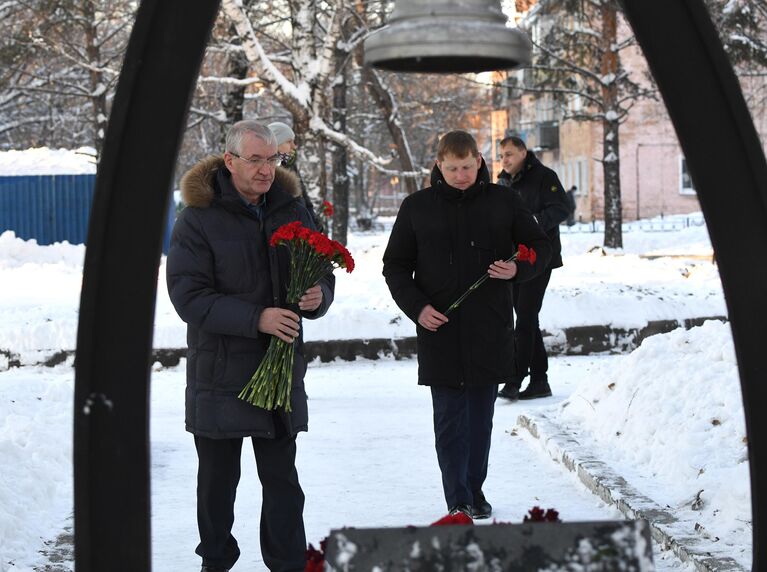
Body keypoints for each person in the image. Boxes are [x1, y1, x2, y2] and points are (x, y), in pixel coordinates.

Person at [166, 120, 335, 572]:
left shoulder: (292, 208)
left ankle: (287, 564)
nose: (266, 169)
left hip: (279, 371)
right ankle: (216, 562)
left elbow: (321, 267)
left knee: (283, 483)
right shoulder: (198, 218)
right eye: (255, 159)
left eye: (272, 159)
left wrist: (318, 294)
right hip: (221, 375)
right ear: (230, 161)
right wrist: (256, 318)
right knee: (218, 486)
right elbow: (189, 296)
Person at [382, 130, 551, 520]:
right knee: (448, 421)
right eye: (453, 168)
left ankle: (475, 490)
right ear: (439, 164)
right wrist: (418, 308)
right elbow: (395, 267)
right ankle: (456, 497)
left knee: (479, 421)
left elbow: (541, 248)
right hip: (439, 330)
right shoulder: (416, 206)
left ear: (479, 161)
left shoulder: (504, 201)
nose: (461, 175)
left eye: (467, 166)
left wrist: (516, 268)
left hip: (488, 330)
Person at [496, 136, 571, 401]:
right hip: (515, 259)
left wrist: (535, 221)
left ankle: (515, 379)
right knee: (526, 316)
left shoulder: (544, 177)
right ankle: (540, 380)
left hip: (540, 257)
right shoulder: (503, 181)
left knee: (526, 316)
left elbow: (563, 207)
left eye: (509, 154)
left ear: (524, 153)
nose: (504, 160)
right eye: (502, 155)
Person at [267, 121, 323, 232]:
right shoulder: (266, 171)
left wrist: (313, 221)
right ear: (275, 145)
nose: (294, 146)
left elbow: (303, 198)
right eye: (289, 142)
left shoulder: (289, 166)